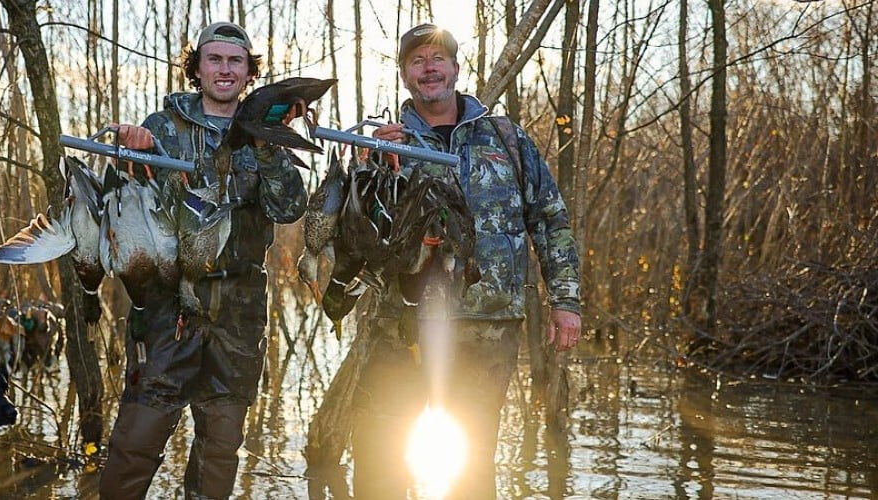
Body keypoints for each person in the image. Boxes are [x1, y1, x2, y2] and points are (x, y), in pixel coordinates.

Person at [351, 23, 583, 498]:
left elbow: (549, 219)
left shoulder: (506, 138)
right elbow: (359, 239)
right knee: (380, 460)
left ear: (456, 68)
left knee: (471, 466)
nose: (429, 68)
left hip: (487, 325)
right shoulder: (385, 143)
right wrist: (368, 168)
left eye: (438, 58)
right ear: (405, 75)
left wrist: (565, 301)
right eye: (417, 61)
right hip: (401, 325)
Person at [97, 22, 308, 499]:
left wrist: (267, 143)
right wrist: (131, 153)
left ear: (250, 72)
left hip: (239, 308)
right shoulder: (162, 128)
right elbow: (126, 204)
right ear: (197, 67)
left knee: (221, 445)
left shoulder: (265, 133)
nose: (225, 69)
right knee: (139, 437)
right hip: (167, 303)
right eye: (214, 59)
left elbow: (288, 208)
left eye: (236, 61)